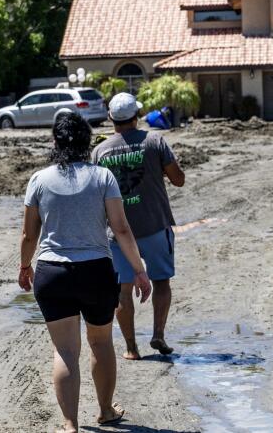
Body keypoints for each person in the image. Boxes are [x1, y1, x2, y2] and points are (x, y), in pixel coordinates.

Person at [19, 112, 152, 433]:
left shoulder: (39, 180)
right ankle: (106, 410)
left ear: (55, 141)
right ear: (86, 142)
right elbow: (120, 228)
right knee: (101, 343)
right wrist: (139, 270)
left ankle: (70, 425)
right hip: (96, 272)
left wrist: (25, 266)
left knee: (65, 351)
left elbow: (29, 236)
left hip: (53, 273)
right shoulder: (103, 177)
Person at [92, 93, 185, 360]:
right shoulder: (155, 141)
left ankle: (132, 348)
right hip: (155, 225)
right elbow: (178, 180)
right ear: (137, 117)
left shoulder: (100, 151)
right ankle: (158, 334)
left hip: (117, 234)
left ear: (111, 118)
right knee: (161, 281)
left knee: (123, 289)